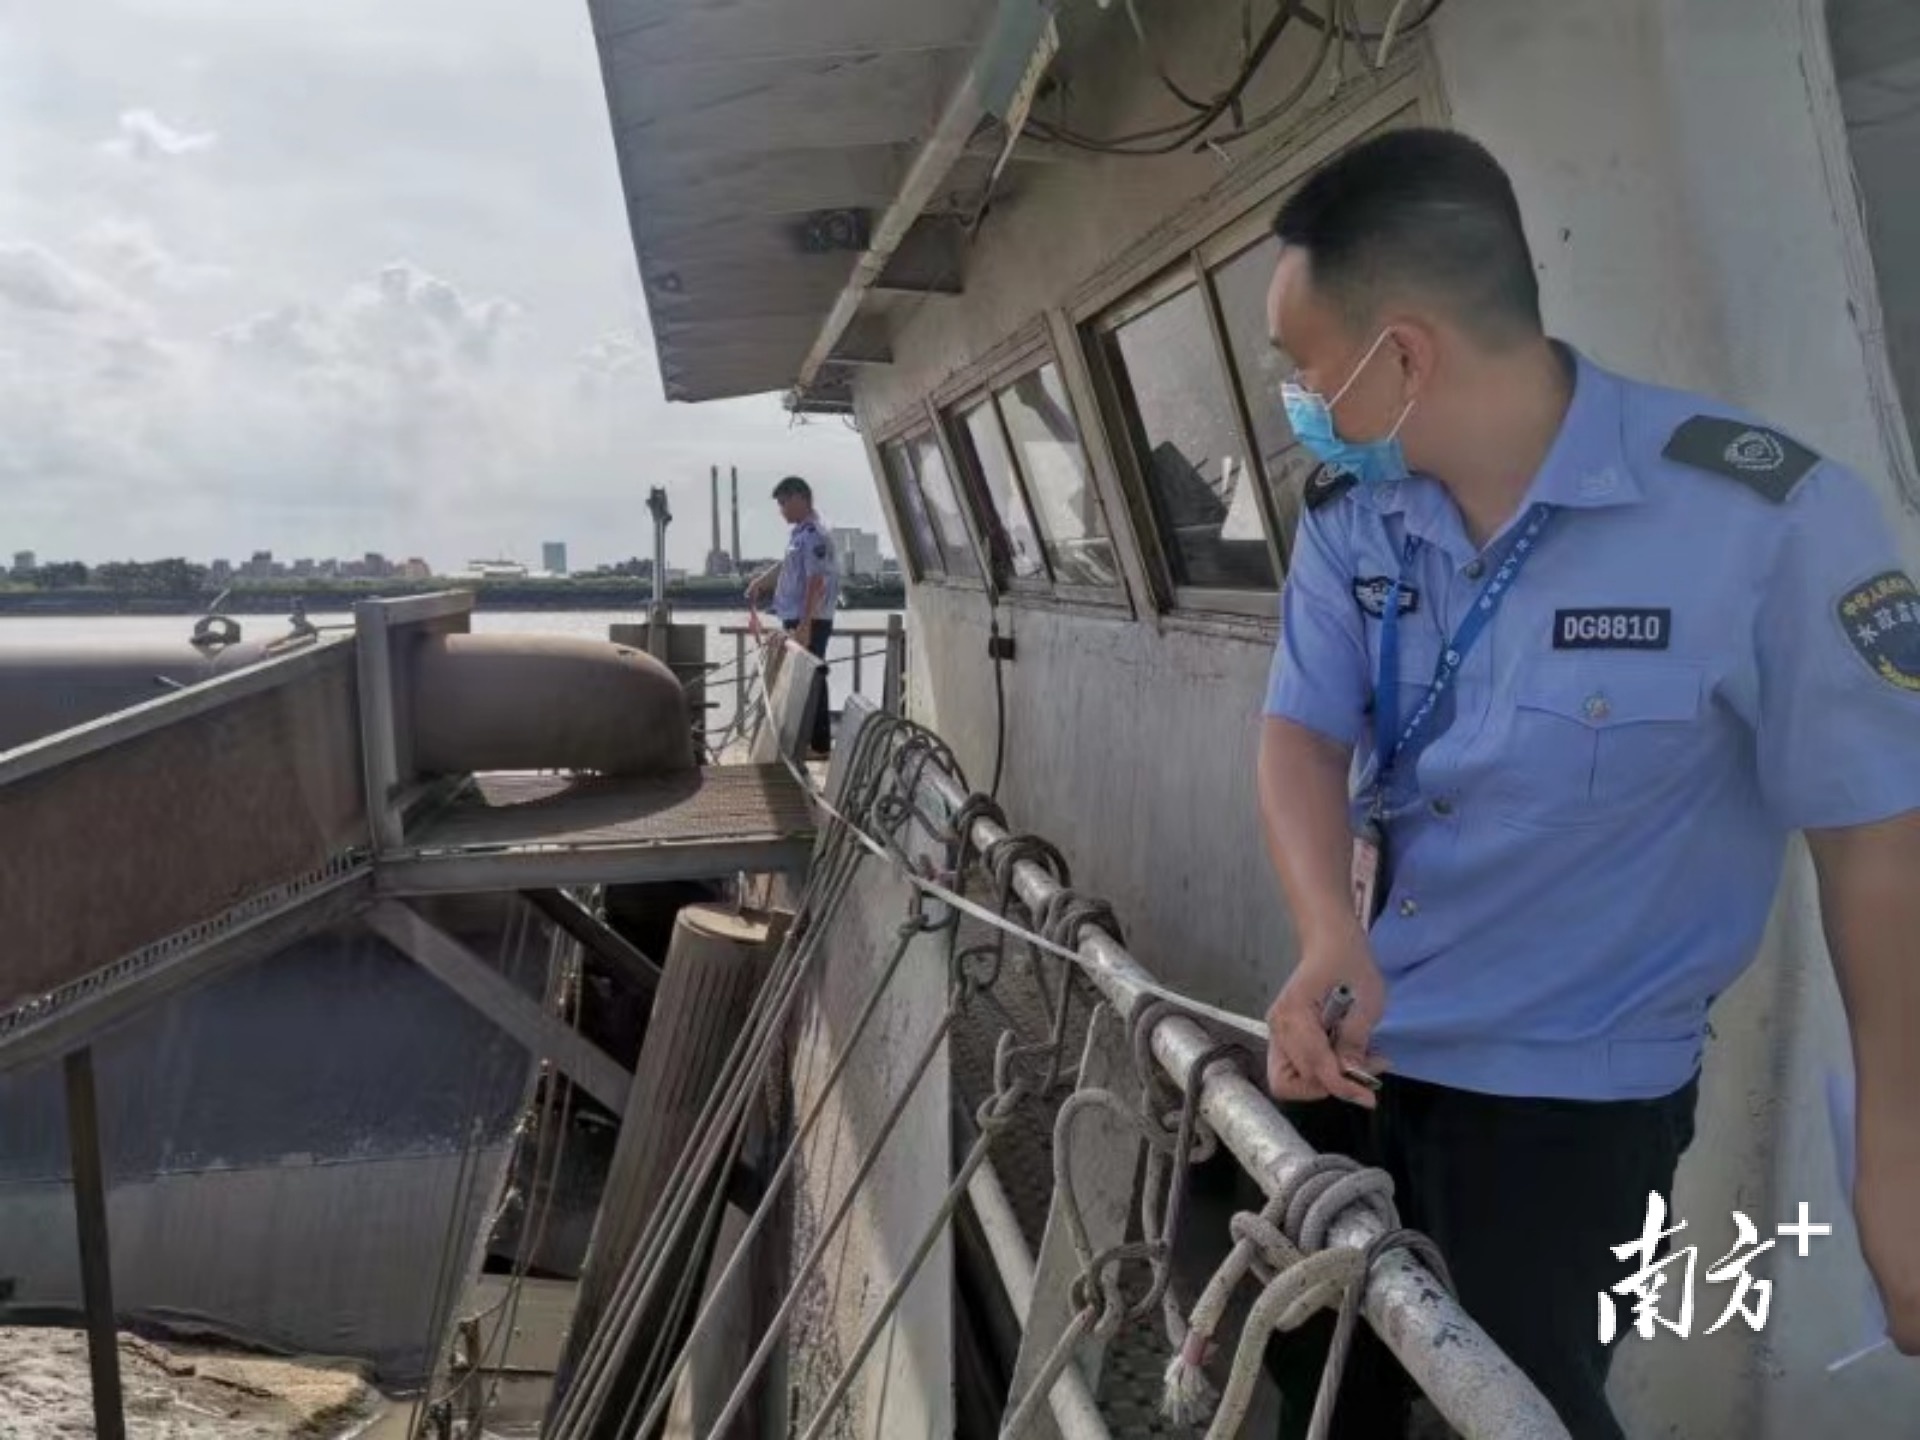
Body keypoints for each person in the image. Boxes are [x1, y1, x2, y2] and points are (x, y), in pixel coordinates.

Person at [1254, 127, 1920, 1439]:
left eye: (1305, 366)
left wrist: (1894, 1157)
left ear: (1404, 357)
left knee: (1524, 1403)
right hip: (1357, 1047)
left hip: (1570, 1108)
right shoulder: (1355, 519)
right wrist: (1327, 930)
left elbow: (1878, 842)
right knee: (1320, 1381)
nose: (1301, 401)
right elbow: (1302, 733)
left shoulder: (1767, 521)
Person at [746, 475, 839, 754]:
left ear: (800, 498)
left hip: (809, 619)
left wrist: (805, 625)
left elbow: (816, 581)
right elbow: (789, 565)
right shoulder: (800, 534)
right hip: (796, 618)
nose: (781, 510)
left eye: (784, 502)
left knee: (812, 678)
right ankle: (806, 741)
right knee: (801, 678)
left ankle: (818, 744)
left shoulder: (814, 535)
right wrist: (761, 581)